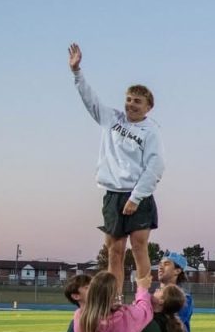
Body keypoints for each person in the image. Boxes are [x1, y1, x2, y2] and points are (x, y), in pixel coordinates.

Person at [68, 43, 166, 291]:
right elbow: (90, 100)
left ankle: (143, 298)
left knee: (139, 247)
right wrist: (77, 72)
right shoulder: (111, 119)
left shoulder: (151, 131)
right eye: (129, 99)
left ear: (148, 107)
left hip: (137, 195)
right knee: (114, 250)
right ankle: (116, 299)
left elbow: (155, 167)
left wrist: (136, 197)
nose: (131, 104)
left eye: (137, 101)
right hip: (113, 194)